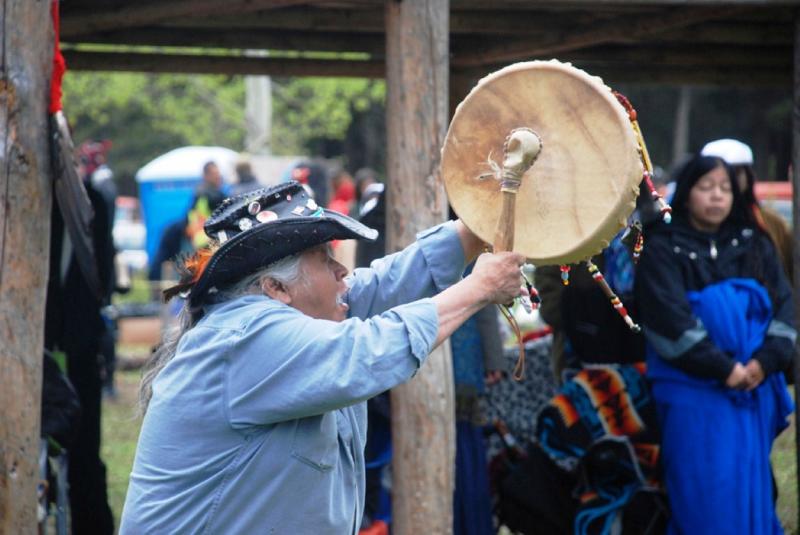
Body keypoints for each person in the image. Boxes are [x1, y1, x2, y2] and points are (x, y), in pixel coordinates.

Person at [119, 180, 526, 534]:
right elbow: (366, 351)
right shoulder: (246, 336)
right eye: (324, 259)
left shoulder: (294, 312)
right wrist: (479, 288)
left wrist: (479, 224)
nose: (342, 272)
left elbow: (385, 283)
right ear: (275, 288)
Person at [635, 154, 795, 534]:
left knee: (749, 485)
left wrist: (762, 363)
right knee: (703, 493)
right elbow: (668, 318)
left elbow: (785, 309)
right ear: (687, 193)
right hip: (694, 394)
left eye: (725, 188)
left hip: (751, 391)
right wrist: (724, 368)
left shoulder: (754, 244)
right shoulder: (663, 249)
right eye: (706, 187)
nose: (717, 197)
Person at [701, 138, 793, 281]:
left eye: (735, 173)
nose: (727, 181)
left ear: (748, 176)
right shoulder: (683, 230)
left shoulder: (772, 226)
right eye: (712, 178)